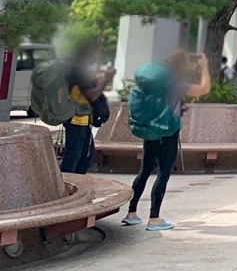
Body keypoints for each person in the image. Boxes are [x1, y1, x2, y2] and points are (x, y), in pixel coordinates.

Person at [123, 51, 210, 231]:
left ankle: (131, 213)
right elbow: (203, 88)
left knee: (145, 170)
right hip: (167, 133)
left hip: (150, 130)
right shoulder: (176, 83)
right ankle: (154, 218)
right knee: (163, 173)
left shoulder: (154, 80)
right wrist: (204, 66)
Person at [60, 45, 113, 174]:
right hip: (76, 121)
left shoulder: (77, 71)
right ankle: (66, 185)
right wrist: (106, 79)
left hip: (82, 120)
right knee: (74, 158)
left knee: (85, 157)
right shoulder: (76, 72)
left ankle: (76, 185)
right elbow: (92, 95)